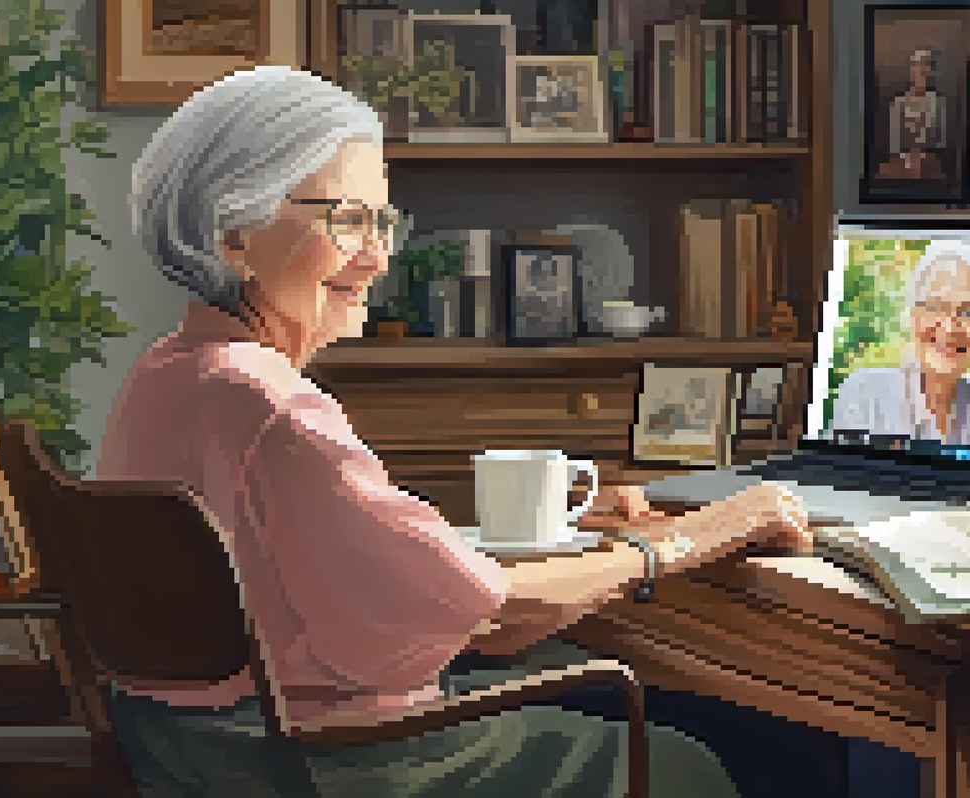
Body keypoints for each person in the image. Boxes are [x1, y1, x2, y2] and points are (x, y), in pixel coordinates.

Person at [100, 66, 811, 798]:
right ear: (235, 237)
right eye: (346, 220)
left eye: (381, 222)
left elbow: (343, 566)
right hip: (333, 765)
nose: (377, 257)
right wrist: (692, 537)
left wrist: (565, 527)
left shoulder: (169, 374)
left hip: (199, 752)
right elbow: (496, 616)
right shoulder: (272, 407)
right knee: (690, 763)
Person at [831, 241, 970, 450]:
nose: (949, 328)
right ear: (913, 315)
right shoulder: (864, 395)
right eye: (935, 306)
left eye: (969, 312)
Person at [880, 47, 945, 180]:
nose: (921, 70)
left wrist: (921, 155)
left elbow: (938, 141)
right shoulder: (899, 104)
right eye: (917, 65)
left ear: (930, 70)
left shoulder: (937, 104)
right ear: (911, 69)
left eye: (926, 65)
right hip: (902, 164)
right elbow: (895, 142)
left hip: (927, 165)